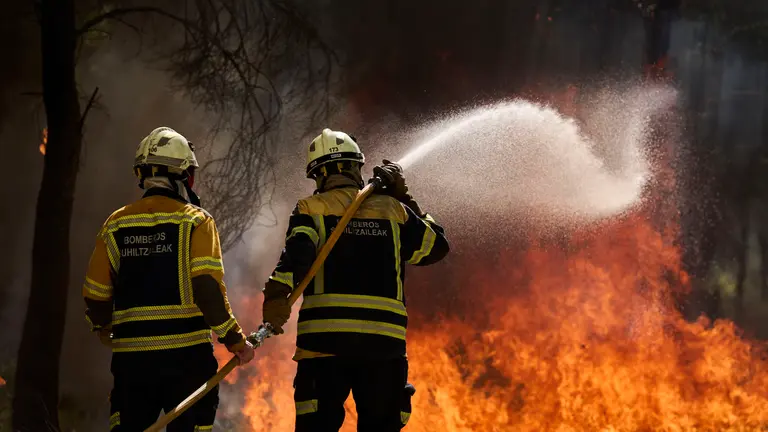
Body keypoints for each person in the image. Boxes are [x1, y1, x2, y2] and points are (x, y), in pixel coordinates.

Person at [261, 128, 450, 431]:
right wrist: (406, 199)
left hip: (324, 343)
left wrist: (275, 295)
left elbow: (298, 257)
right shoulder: (394, 211)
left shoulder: (311, 208)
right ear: (356, 167)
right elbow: (435, 248)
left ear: (318, 174)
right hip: (382, 347)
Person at [82, 127, 254, 431]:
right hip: (186, 362)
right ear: (186, 176)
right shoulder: (196, 221)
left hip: (132, 363)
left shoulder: (116, 223)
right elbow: (207, 289)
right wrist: (235, 340)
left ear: (142, 174)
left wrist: (104, 327)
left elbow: (95, 294)